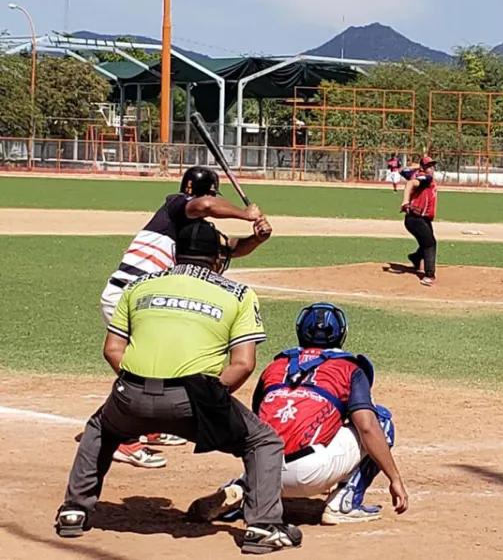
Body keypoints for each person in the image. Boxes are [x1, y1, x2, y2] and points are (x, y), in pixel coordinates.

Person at [55, 221, 302, 555]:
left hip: (129, 394)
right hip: (194, 399)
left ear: (175, 254)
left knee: (100, 427)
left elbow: (112, 350)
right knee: (263, 441)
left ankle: (74, 510)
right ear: (217, 258)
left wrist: (134, 384)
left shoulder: (139, 285)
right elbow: (243, 364)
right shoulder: (239, 294)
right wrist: (209, 398)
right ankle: (262, 527)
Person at [101, 165, 272, 468]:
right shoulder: (175, 206)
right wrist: (245, 213)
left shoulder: (194, 231)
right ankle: (125, 437)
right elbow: (204, 204)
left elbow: (227, 249)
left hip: (154, 302)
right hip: (130, 296)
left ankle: (152, 425)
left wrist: (256, 238)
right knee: (139, 364)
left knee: (162, 361)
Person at [186, 303, 409, 526]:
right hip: (311, 473)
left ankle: (244, 488)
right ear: (341, 333)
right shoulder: (348, 368)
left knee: (268, 439)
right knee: (380, 421)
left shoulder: (276, 366)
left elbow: (256, 422)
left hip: (264, 469)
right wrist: (395, 479)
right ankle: (344, 503)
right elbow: (367, 426)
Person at [400, 155, 438, 287]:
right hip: (416, 218)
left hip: (421, 218)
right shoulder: (426, 178)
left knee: (426, 241)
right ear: (423, 168)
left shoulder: (415, 174)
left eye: (432, 166)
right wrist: (405, 201)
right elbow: (411, 183)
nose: (431, 169)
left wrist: (419, 166)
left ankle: (415, 258)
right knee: (430, 244)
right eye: (428, 166)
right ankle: (429, 275)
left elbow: (402, 170)